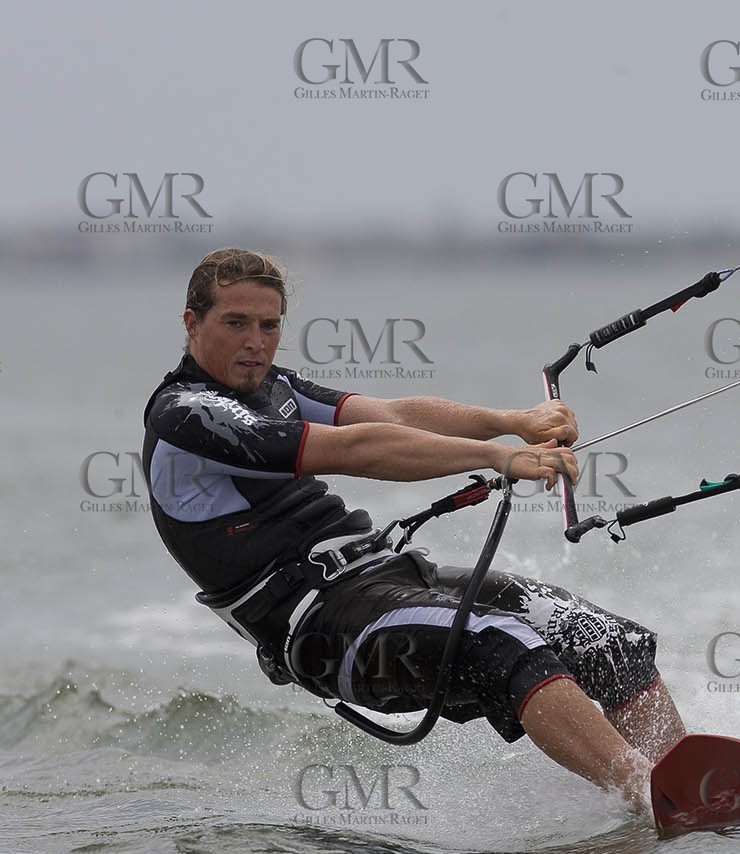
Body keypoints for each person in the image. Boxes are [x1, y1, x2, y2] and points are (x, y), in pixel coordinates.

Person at [144, 248, 687, 812]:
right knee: (504, 642)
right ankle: (652, 794)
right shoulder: (185, 414)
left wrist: (512, 421)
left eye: (269, 324)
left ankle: (691, 776)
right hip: (325, 631)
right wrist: (498, 456)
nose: (255, 342)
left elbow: (391, 416)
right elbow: (357, 449)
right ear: (192, 323)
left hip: (384, 577)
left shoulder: (274, 387)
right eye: (236, 324)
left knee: (603, 640)